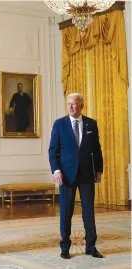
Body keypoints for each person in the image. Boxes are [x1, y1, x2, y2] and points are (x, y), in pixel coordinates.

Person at [48, 93, 104, 259]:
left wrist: (98, 170)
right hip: (66, 175)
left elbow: (96, 149)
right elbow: (53, 151)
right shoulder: (59, 124)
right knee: (66, 212)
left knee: (89, 212)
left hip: (87, 174)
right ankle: (65, 247)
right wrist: (56, 170)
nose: (71, 106)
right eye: (68, 104)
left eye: (74, 104)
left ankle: (91, 247)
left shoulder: (91, 124)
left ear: (81, 105)